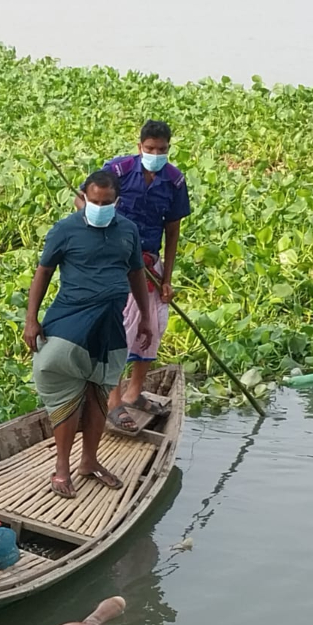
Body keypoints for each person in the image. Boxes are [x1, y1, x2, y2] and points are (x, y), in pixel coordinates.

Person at [24, 170, 154, 499]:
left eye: (106, 202)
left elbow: (136, 273)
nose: (99, 207)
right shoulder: (65, 230)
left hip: (111, 321)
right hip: (71, 316)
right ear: (83, 197)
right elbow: (43, 273)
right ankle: (62, 468)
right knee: (63, 383)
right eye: (94, 201)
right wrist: (31, 319)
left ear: (116, 201)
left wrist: (145, 318)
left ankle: (89, 462)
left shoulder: (128, 231)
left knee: (99, 393)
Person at [101, 120, 192, 426]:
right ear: (139, 146)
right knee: (120, 329)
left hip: (151, 263)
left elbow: (173, 230)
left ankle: (134, 392)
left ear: (168, 149)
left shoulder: (174, 180)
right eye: (150, 149)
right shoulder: (118, 170)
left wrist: (166, 278)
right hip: (119, 264)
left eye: (162, 149)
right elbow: (85, 199)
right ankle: (113, 401)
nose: (156, 153)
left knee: (153, 326)